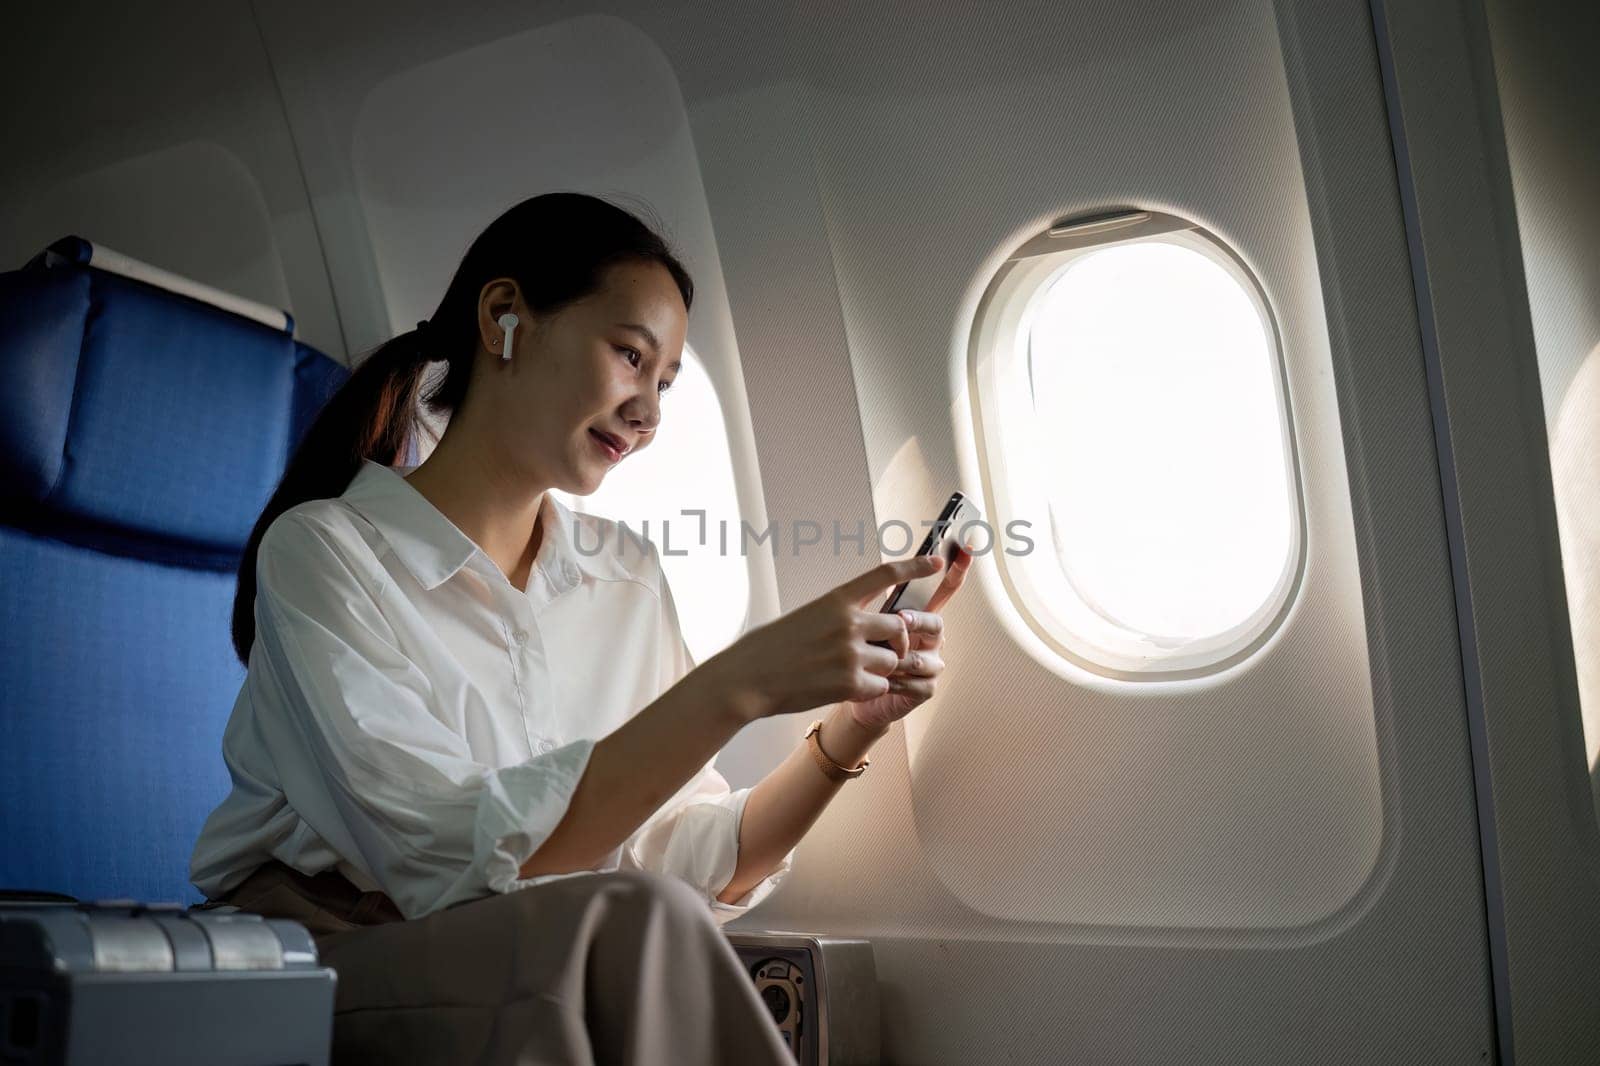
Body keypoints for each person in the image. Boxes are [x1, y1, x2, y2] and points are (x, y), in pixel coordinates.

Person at [188, 192, 970, 1064]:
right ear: (504, 318)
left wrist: (850, 726)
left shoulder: (625, 574)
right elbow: (442, 865)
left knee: (638, 922)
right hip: (323, 958)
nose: (649, 414)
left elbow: (690, 856)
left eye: (666, 384)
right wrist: (741, 683)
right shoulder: (325, 555)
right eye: (630, 356)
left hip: (525, 944)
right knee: (622, 929)